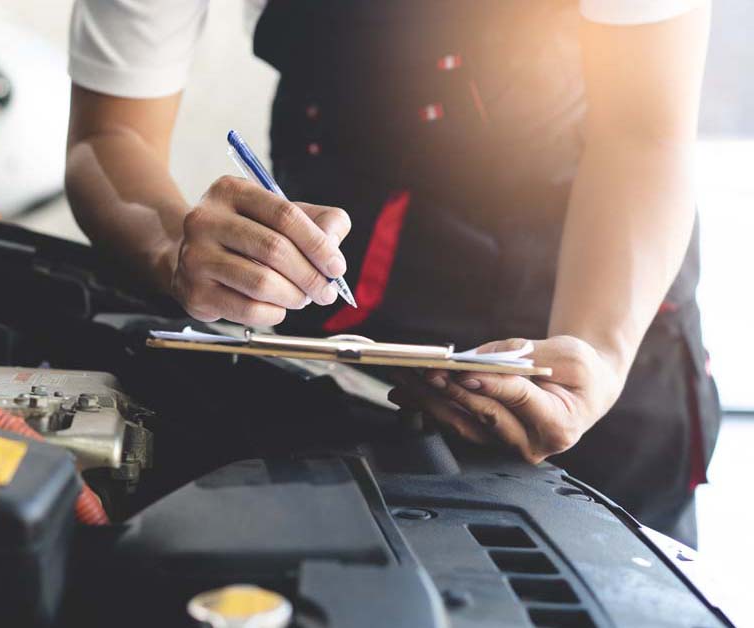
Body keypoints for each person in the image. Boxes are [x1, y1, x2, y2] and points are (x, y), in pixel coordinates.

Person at [63, 0, 718, 545]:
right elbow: (109, 138)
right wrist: (173, 243)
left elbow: (642, 131)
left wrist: (600, 348)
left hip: (597, 304)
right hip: (347, 339)